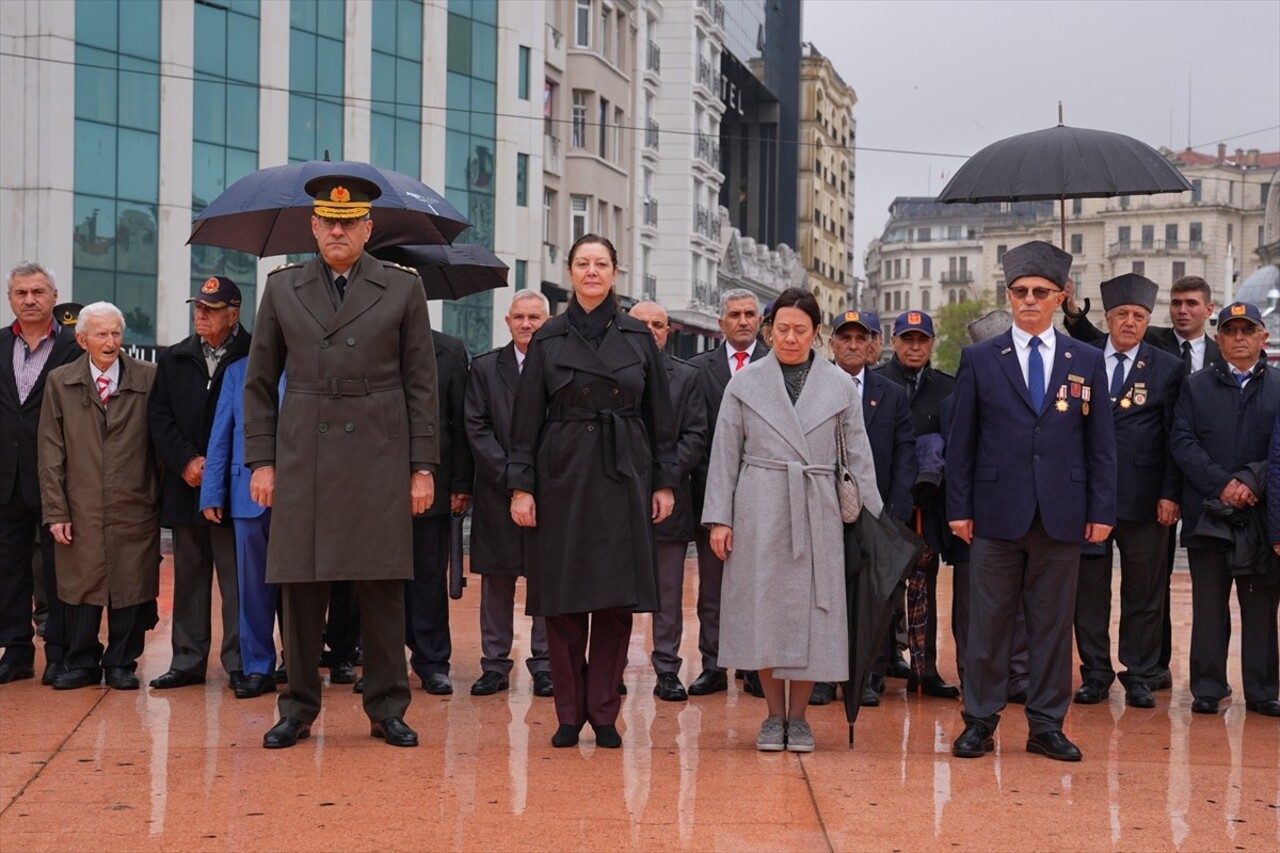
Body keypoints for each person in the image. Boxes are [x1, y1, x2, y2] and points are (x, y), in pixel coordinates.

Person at [243, 173, 440, 749]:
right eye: (329, 222)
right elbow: (259, 383)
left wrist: (421, 466)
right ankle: (298, 707)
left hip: (379, 449)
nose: (337, 230)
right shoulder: (282, 288)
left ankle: (386, 706)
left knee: (382, 586)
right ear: (313, 226)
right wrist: (261, 460)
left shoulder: (403, 287)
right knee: (300, 587)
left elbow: (421, 384)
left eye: (349, 222)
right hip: (304, 449)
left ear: (367, 228)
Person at [947, 240, 1116, 763]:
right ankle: (979, 720)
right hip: (996, 512)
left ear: (1060, 296)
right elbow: (961, 441)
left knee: (1050, 625)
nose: (1029, 300)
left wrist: (1100, 511)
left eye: (1041, 292)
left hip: (1062, 514)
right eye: (1020, 291)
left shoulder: (1086, 359)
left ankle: (1046, 725)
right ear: (1009, 294)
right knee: (988, 625)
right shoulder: (980, 358)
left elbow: (1101, 443)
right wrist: (959, 507)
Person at [507, 234, 677, 749]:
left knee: (613, 602)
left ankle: (604, 712)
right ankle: (567, 712)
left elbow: (660, 417)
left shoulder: (636, 334)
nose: (591, 272)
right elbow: (525, 421)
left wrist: (664, 480)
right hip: (561, 475)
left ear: (615, 272)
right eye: (582, 263)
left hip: (622, 474)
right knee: (561, 601)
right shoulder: (549, 336)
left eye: (601, 263)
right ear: (570, 271)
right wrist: (521, 487)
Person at [703, 287, 881, 753]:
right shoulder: (744, 383)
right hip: (759, 503)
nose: (790, 337)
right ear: (768, 330)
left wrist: (874, 519)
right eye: (781, 329)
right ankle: (772, 715)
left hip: (818, 505)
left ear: (816, 334)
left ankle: (799, 718)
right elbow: (724, 454)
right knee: (763, 609)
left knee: (812, 612)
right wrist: (720, 519)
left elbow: (859, 456)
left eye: (800, 329)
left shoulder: (839, 385)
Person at [1071, 274, 1184, 710]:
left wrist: (1171, 493)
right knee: (1089, 591)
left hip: (1146, 499)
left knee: (1145, 590)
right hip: (1089, 499)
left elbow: (1175, 435)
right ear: (1108, 318)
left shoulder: (1166, 367)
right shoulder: (1079, 359)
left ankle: (1139, 674)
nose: (1130, 323)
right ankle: (1095, 673)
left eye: (1139, 315)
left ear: (1148, 319)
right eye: (1122, 315)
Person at [37, 302, 160, 690]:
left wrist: (156, 498)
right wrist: (56, 511)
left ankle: (122, 662)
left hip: (134, 500)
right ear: (81, 339)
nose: (110, 342)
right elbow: (50, 449)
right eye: (101, 335)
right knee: (81, 583)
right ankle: (81, 660)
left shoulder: (148, 377)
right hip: (81, 502)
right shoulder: (61, 381)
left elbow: (160, 443)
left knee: (131, 583)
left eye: (116, 334)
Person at [1169, 301, 1280, 717]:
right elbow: (1182, 442)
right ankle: (1208, 688)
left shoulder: (1278, 386)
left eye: (1246, 331)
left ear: (1262, 337)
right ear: (1218, 339)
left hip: (1260, 517)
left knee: (1261, 607)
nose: (1238, 338)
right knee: (1209, 606)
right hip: (1209, 514)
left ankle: (1263, 689)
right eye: (1230, 331)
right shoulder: (1195, 386)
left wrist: (1251, 482)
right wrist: (1223, 484)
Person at [148, 276, 249, 691]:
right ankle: (187, 662)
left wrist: (222, 467)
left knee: (238, 581)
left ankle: (241, 664)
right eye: (198, 307)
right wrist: (186, 461)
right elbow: (159, 418)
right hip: (186, 485)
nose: (201, 315)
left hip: (233, 490)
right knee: (189, 578)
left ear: (234, 313)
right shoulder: (175, 358)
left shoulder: (255, 354)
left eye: (211, 308)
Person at [465, 290, 553, 698]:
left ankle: (546, 664)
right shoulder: (484, 368)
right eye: (519, 316)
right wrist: (514, 481)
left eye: (534, 317)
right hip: (497, 494)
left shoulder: (560, 366)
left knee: (546, 581)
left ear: (547, 321)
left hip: (549, 493)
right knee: (497, 583)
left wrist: (534, 484)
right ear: (507, 321)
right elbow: (477, 430)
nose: (527, 324)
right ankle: (494, 665)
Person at [826, 309, 915, 707]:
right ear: (832, 344)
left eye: (861, 338)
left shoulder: (891, 393)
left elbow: (904, 452)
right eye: (845, 338)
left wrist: (892, 512)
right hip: (824, 511)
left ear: (873, 344)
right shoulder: (816, 387)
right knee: (827, 596)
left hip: (875, 515)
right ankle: (825, 677)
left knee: (874, 598)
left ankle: (868, 676)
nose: (853, 345)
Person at [0, 263, 81, 686]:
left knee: (57, 572)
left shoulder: (74, 347)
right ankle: (15, 653)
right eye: (20, 293)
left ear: (53, 295)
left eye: (37, 292)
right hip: (5, 479)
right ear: (10, 298)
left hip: (56, 479)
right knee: (8, 570)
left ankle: (59, 655)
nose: (29, 300)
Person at [686, 289, 769, 697]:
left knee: (758, 587)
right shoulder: (699, 370)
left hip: (765, 498)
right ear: (721, 323)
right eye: (734, 314)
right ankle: (713, 664)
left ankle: (755, 668)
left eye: (750, 314)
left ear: (760, 320)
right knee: (713, 588)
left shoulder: (778, 366)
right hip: (712, 494)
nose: (742, 320)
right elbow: (696, 435)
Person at [876, 310, 960, 699]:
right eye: (907, 339)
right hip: (883, 504)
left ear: (931, 343)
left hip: (927, 506)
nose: (914, 347)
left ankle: (924, 670)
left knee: (923, 587)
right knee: (881, 587)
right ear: (894, 342)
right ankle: (878, 665)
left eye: (921, 340)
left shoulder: (948, 388)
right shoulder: (877, 382)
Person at [630, 300, 708, 703]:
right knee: (613, 590)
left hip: (669, 499)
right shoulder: (608, 369)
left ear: (668, 330)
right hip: (616, 498)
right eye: (641, 323)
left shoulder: (688, 377)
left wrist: (662, 480)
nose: (649, 330)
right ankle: (610, 673)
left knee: (667, 591)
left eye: (657, 324)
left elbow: (695, 437)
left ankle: (666, 669)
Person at [199, 357, 283, 699]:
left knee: (302, 589)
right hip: (246, 494)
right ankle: (257, 668)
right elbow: (221, 432)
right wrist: (212, 491)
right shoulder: (237, 372)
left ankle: (299, 663)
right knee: (250, 588)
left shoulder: (314, 362)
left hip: (304, 496)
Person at [404, 329, 473, 696]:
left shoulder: (448, 349)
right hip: (373, 482)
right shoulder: (366, 343)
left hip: (433, 483)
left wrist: (461, 483)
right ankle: (381, 663)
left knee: (429, 577)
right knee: (376, 581)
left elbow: (460, 422)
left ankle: (432, 661)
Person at [1064, 274, 1219, 371]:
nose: (1182, 310)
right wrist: (1069, 303)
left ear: (1209, 309)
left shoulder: (1221, 354)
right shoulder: (1147, 337)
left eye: (1191, 304)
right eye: (1176, 303)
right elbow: (1094, 339)